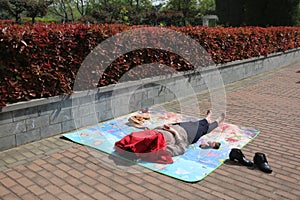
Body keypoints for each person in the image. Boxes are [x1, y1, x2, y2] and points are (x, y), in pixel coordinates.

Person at [154, 110, 225, 157]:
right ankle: (214, 121)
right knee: (203, 128)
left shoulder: (150, 136)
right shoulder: (160, 149)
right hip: (186, 135)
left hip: (177, 126)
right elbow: (181, 149)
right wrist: (174, 132)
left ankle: (207, 119)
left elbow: (153, 130)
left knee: (195, 124)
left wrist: (163, 127)